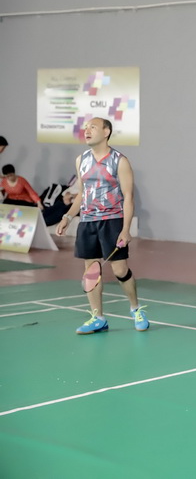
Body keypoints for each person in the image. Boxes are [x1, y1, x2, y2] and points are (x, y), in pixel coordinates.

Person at [55, 117, 149, 334]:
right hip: (87, 222)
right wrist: (67, 217)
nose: (87, 131)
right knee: (91, 272)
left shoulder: (120, 161)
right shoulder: (81, 160)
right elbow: (81, 194)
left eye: (93, 127)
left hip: (112, 221)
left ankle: (135, 309)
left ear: (106, 132)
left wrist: (125, 229)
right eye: (86, 127)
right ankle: (98, 318)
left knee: (119, 269)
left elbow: (128, 197)